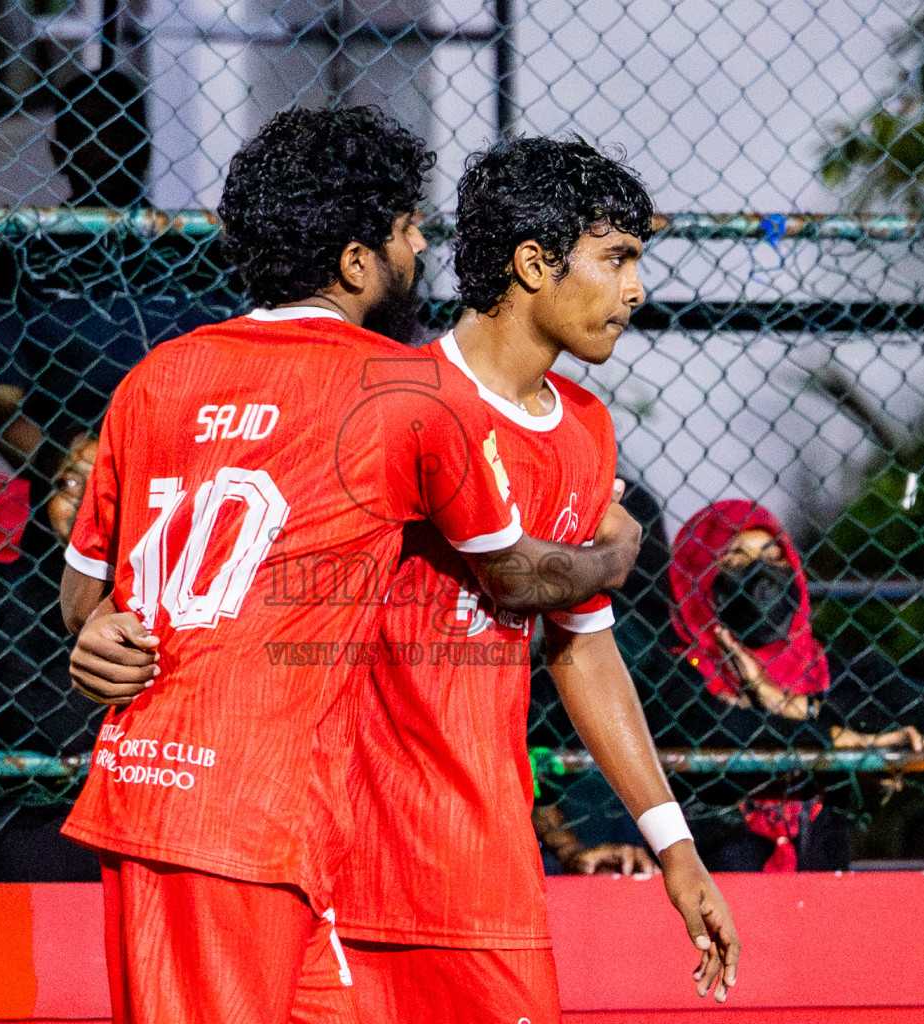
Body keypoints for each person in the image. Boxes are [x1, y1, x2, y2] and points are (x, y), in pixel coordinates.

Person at [56, 107, 646, 1024]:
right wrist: (616, 550)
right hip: (250, 808)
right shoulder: (407, 392)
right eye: (408, 230)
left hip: (172, 794)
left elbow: (84, 593)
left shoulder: (156, 375)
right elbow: (520, 581)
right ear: (357, 261)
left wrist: (93, 631)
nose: (421, 249)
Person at [328, 138, 738, 1022]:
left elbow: (582, 651)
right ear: (532, 262)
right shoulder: (395, 400)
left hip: (489, 857)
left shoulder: (586, 427)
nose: (636, 289)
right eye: (618, 257)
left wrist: (674, 846)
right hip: (349, 858)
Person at [0, 69, 236, 487]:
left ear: (145, 145)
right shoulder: (23, 261)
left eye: (119, 130)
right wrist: (68, 471)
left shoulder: (199, 255)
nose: (107, 147)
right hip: (76, 482)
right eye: (88, 131)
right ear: (60, 152)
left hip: (195, 480)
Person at [654, 500, 924, 872]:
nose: (760, 574)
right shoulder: (675, 671)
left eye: (774, 556)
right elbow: (718, 729)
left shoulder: (824, 667)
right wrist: (848, 741)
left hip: (824, 884)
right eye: (735, 559)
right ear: (695, 573)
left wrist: (786, 703)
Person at [0, 434, 105, 882]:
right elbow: (33, 727)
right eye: (70, 485)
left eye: (107, 487)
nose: (85, 505)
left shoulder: (165, 595)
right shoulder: (0, 591)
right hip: (28, 828)